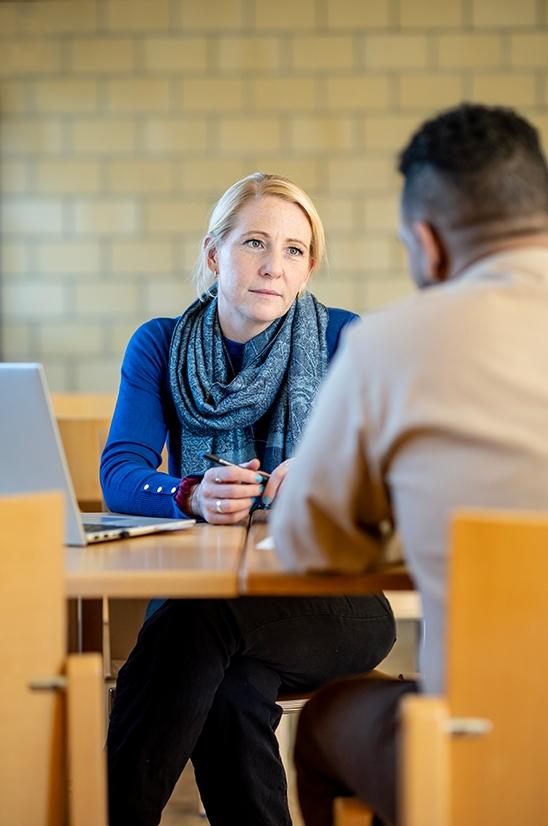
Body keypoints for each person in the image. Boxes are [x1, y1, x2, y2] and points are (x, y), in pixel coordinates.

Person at [270, 103, 548, 826]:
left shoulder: (390, 345)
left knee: (332, 712)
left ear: (427, 243)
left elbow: (308, 543)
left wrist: (413, 523)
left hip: (487, 747)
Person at [102, 172, 397, 826]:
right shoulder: (159, 343)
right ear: (214, 254)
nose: (273, 266)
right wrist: (189, 492)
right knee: (231, 690)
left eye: (294, 250)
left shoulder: (346, 339)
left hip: (330, 597)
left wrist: (329, 474)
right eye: (254, 243)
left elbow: (395, 471)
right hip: (199, 590)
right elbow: (121, 472)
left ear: (310, 267)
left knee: (201, 623)